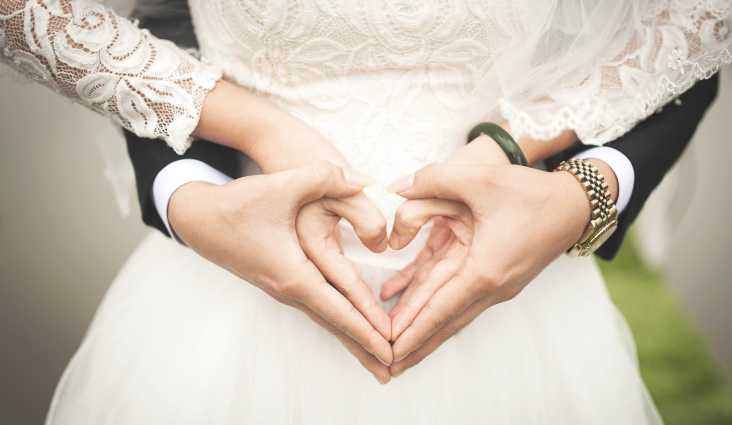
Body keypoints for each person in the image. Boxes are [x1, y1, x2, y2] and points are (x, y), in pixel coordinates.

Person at [0, 0, 729, 423]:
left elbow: (692, 23)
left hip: (517, 310)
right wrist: (204, 184)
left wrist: (575, 193)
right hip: (226, 309)